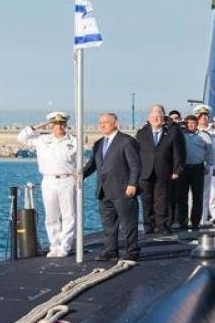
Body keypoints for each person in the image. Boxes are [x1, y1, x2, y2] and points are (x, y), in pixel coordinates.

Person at [17, 112, 77, 257]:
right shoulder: (42, 140)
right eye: (56, 124)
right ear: (51, 125)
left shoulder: (73, 141)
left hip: (67, 180)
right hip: (48, 180)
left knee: (68, 215)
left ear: (66, 125)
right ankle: (54, 245)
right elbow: (21, 137)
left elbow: (80, 162)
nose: (59, 127)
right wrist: (41, 125)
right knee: (51, 216)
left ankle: (65, 245)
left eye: (62, 124)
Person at [83, 113, 141, 261]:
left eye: (105, 122)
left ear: (115, 123)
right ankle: (111, 250)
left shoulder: (126, 141)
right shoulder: (99, 143)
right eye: (100, 123)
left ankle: (132, 251)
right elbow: (92, 165)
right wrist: (80, 175)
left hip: (123, 189)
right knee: (109, 225)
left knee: (128, 224)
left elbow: (135, 165)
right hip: (104, 190)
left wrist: (132, 183)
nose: (102, 125)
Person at [135, 105, 185, 235]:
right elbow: (136, 154)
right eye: (153, 115)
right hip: (145, 172)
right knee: (146, 200)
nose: (156, 118)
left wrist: (176, 170)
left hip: (164, 171)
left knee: (162, 200)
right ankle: (148, 225)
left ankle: (161, 225)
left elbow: (177, 153)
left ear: (163, 118)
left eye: (159, 115)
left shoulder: (172, 133)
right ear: (149, 118)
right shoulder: (141, 134)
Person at [177, 114, 212, 229]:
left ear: (197, 124)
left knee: (198, 196)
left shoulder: (204, 136)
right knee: (182, 197)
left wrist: (208, 165)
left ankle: (195, 222)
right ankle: (183, 222)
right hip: (184, 168)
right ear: (185, 124)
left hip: (198, 168)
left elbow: (209, 152)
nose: (191, 125)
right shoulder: (180, 136)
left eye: (193, 123)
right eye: (188, 123)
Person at [191, 104, 215, 226]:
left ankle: (203, 218)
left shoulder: (214, 132)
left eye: (206, 116)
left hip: (209, 167)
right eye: (201, 116)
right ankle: (192, 218)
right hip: (196, 166)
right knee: (193, 194)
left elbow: (214, 151)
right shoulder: (193, 132)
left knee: (206, 193)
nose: (204, 118)